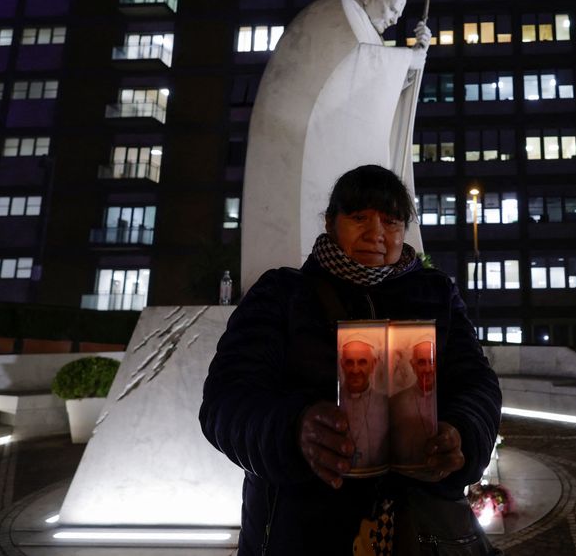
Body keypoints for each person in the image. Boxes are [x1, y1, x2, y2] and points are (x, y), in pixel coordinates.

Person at [200, 165, 502, 554]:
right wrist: (296, 429)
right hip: (300, 533)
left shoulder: (437, 295)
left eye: (391, 221)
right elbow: (225, 403)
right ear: (330, 222)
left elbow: (477, 385)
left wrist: (461, 433)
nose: (375, 233)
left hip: (415, 530)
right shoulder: (282, 294)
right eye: (359, 217)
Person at [241, 0, 433, 290]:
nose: (391, 21)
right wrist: (409, 58)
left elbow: (370, 82)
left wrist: (413, 61)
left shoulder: (364, 25)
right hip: (309, 135)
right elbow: (354, 64)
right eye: (389, 12)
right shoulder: (341, 10)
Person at [339, 338, 389, 470]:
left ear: (373, 365)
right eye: (349, 362)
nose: (355, 370)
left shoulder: (386, 404)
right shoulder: (333, 401)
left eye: (362, 362)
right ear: (342, 364)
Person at [390, 340, 438, 466]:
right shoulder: (397, 402)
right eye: (422, 362)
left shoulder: (447, 397)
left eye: (431, 362)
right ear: (413, 365)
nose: (428, 369)